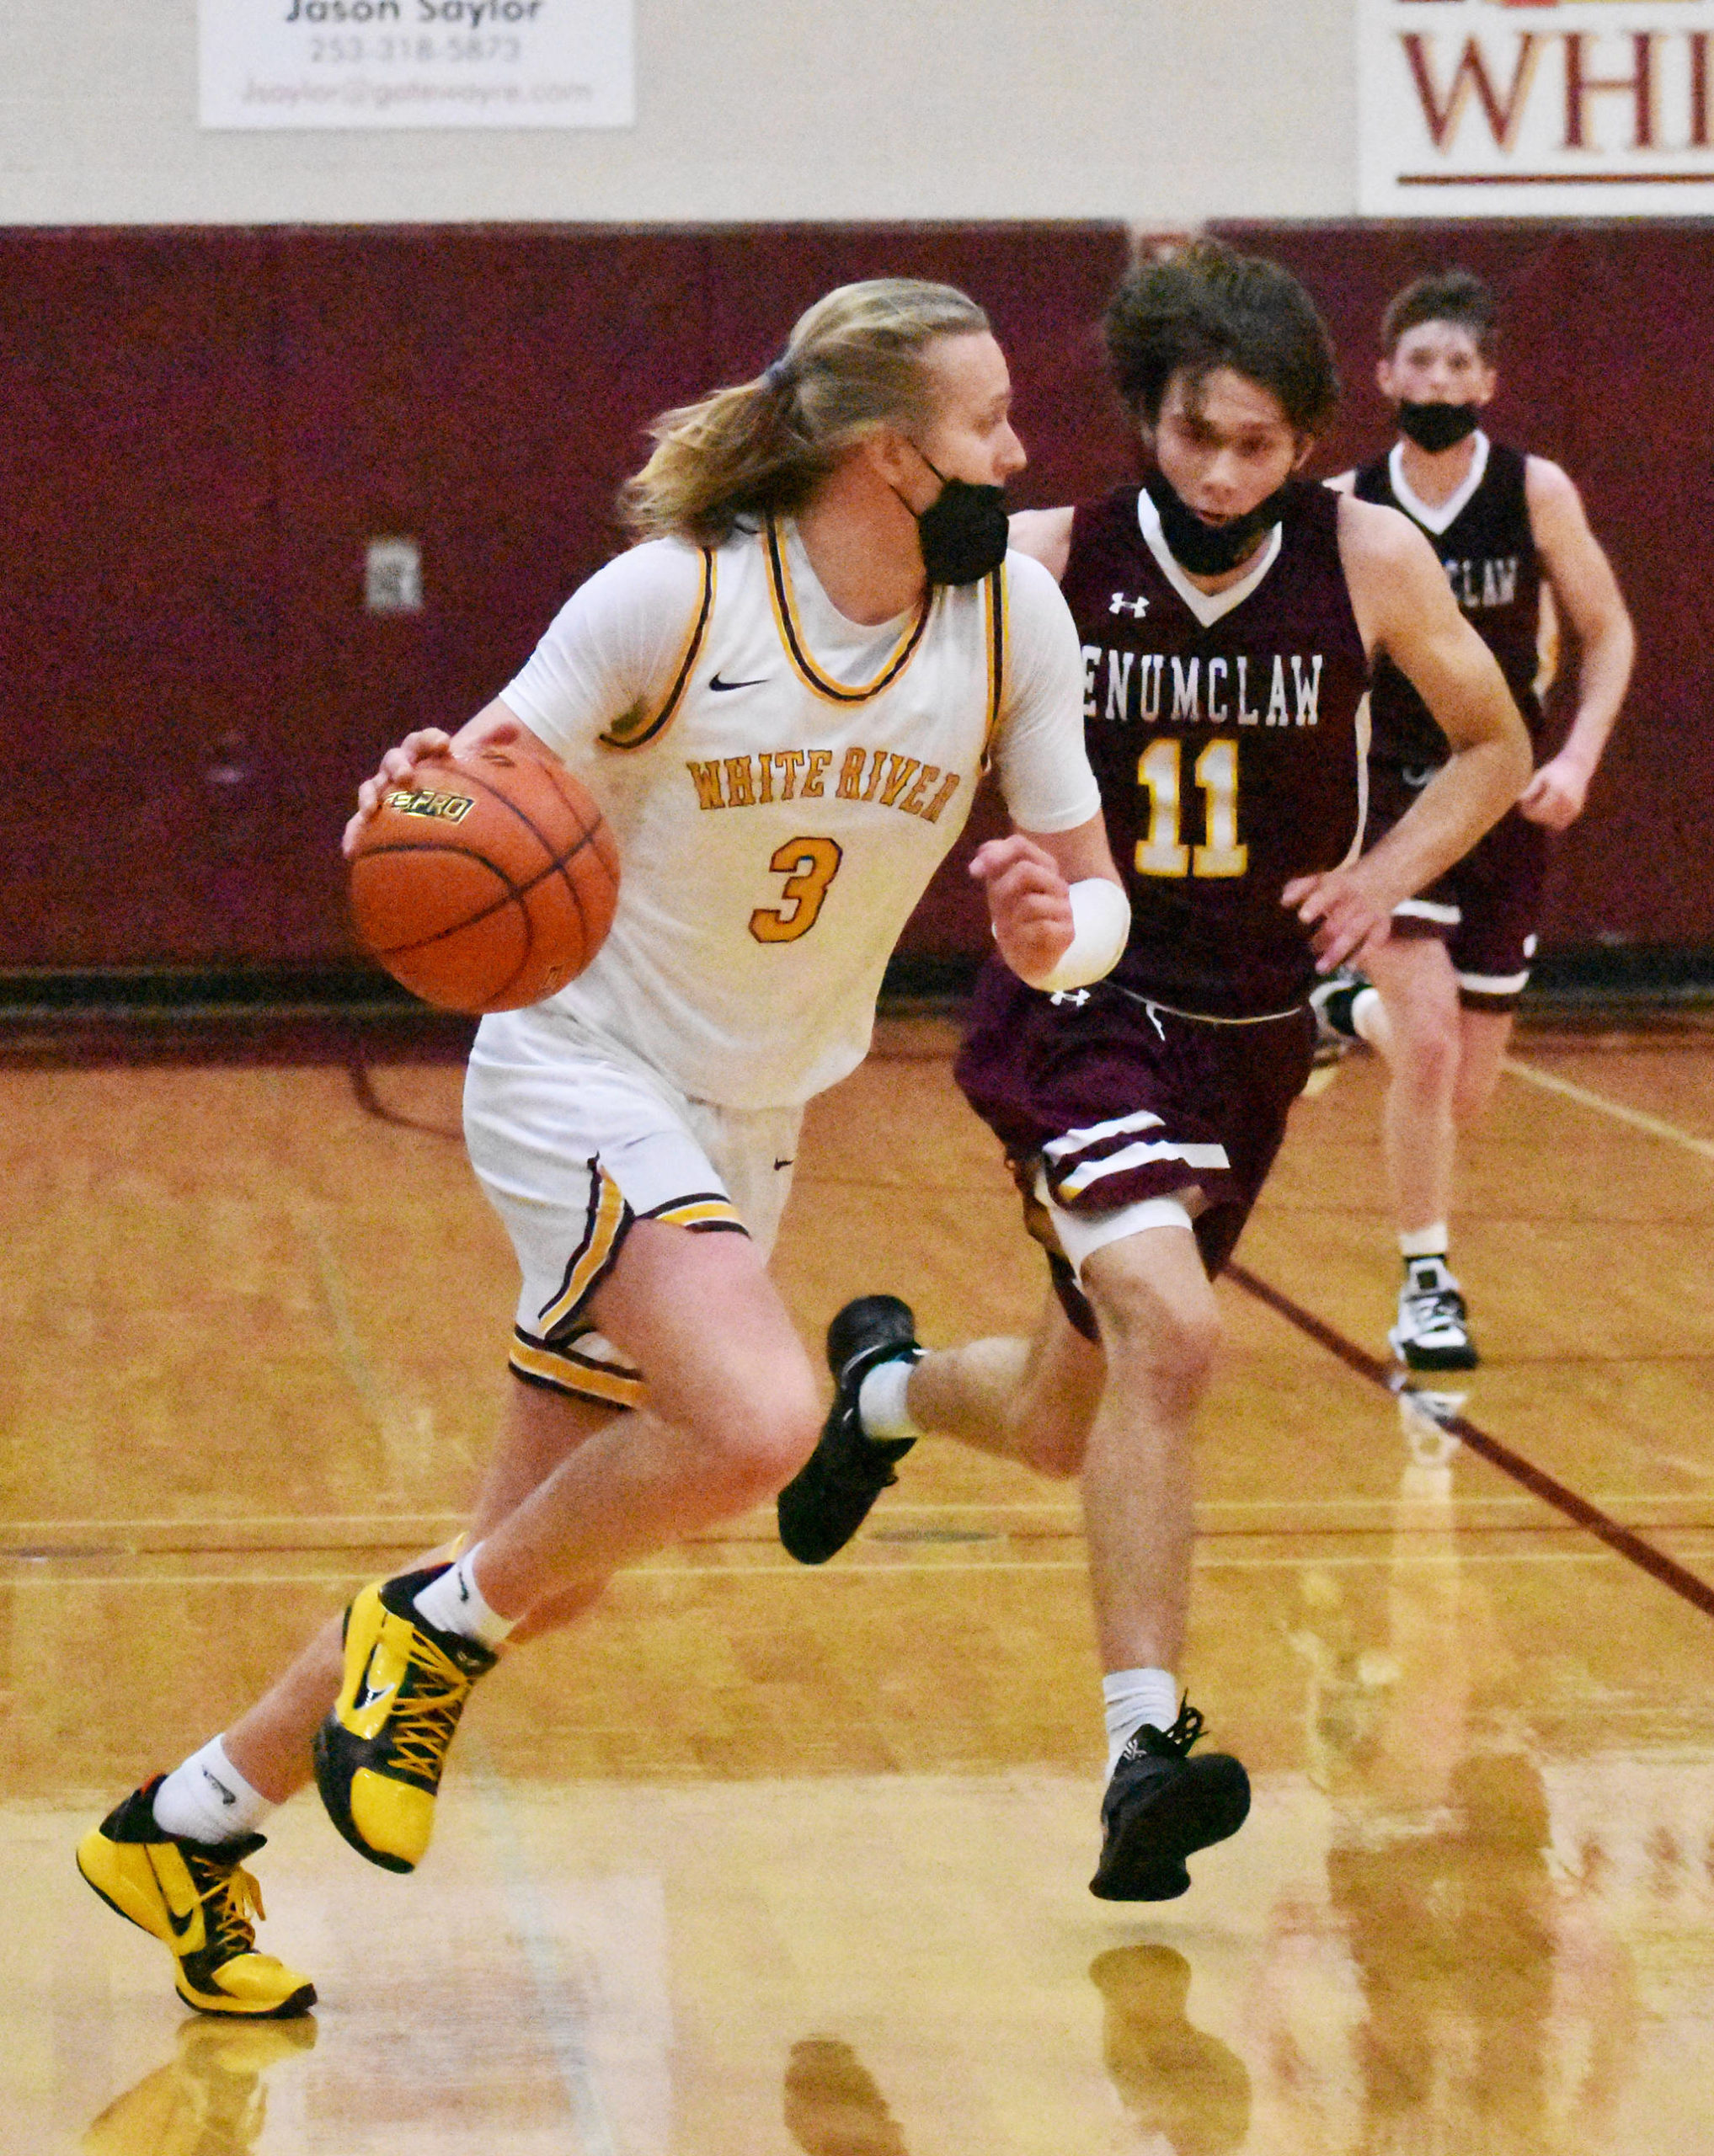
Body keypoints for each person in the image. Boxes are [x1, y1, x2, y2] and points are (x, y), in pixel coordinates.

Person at [75, 277, 1130, 2016]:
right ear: (888, 452)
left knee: (533, 1579)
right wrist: (392, 802)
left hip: (753, 1117)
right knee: (763, 1416)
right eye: (987, 423)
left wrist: (1051, 933)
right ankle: (426, 1630)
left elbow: (1091, 899)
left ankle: (187, 1820)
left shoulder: (1012, 616)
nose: (1018, 452)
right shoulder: (675, 598)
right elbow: (450, 795)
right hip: (584, 1074)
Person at [776, 241, 1531, 1901]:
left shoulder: (1371, 556)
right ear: (1146, 420)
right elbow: (872, 714)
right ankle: (1142, 1748)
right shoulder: (1048, 557)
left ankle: (880, 1392)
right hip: (1085, 1005)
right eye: (1196, 435)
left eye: (1258, 444)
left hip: (1256, 1040)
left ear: (1308, 441)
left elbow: (1495, 743)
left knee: (1069, 1410)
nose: (1221, 472)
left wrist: (1387, 869)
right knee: (1177, 1337)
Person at [1316, 268, 1633, 1370]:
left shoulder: (1533, 491)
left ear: (1488, 381)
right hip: (1400, 794)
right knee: (1435, 1046)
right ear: (1387, 375)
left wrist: (1579, 756)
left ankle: (1343, 1013)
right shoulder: (1352, 508)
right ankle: (1426, 1282)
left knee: (1468, 1087)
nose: (1442, 377)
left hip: (1504, 795)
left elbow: (1610, 632)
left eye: (1462, 362)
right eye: (1424, 360)